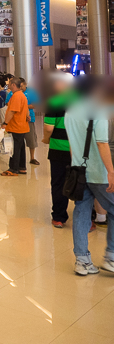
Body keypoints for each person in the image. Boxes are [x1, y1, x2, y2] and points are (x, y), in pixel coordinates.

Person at [65, 79, 114, 276]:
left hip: (79, 171)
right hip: (98, 173)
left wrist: (76, 164)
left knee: (81, 212)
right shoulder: (98, 112)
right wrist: (111, 171)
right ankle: (111, 256)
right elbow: (102, 143)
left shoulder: (70, 112)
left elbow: (72, 144)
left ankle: (82, 261)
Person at [43, 74, 78, 228]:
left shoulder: (54, 102)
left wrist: (46, 139)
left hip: (58, 149)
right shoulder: (82, 100)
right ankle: (86, 218)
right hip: (79, 149)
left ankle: (59, 217)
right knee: (80, 181)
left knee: (58, 183)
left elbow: (48, 128)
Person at [1, 77, 30, 177]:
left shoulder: (16, 96)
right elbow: (26, 109)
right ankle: (22, 167)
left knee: (15, 148)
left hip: (16, 126)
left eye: (9, 83)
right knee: (20, 147)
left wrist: (5, 123)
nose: (8, 85)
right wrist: (27, 116)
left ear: (13, 85)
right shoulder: (22, 95)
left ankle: (13, 169)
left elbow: (12, 111)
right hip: (22, 126)